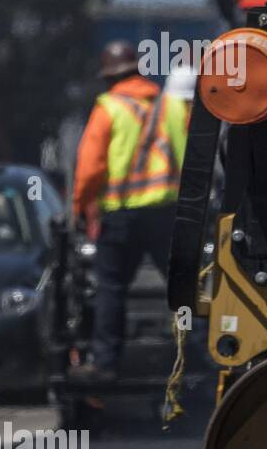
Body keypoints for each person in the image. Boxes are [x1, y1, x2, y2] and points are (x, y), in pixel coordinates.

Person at [69, 40, 189, 380]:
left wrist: (80, 207)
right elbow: (191, 159)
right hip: (169, 214)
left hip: (122, 215)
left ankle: (106, 365)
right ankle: (197, 355)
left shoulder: (108, 107)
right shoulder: (172, 106)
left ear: (109, 77)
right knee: (182, 287)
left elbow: (90, 167)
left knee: (111, 287)